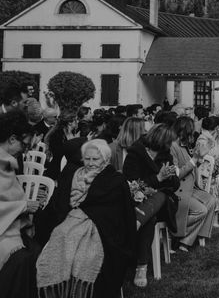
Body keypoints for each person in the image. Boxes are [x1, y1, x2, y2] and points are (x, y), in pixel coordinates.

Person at [36, 139, 136, 298]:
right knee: (60, 241)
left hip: (103, 232)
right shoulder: (73, 174)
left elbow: (115, 215)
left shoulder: (114, 180)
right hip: (67, 223)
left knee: (85, 256)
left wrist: (83, 217)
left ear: (105, 159)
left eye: (95, 159)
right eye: (87, 158)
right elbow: (59, 202)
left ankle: (78, 292)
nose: (90, 163)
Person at [122, 124, 180, 287]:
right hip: (137, 199)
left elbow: (174, 185)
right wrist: (157, 179)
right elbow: (131, 181)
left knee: (160, 195)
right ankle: (142, 266)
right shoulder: (136, 153)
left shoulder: (165, 155)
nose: (170, 146)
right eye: (168, 142)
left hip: (163, 202)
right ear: (160, 141)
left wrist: (168, 177)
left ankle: (135, 224)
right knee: (150, 218)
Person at [0, 111, 40, 298]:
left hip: (11, 226)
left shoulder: (7, 162)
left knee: (37, 253)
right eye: (24, 145)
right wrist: (23, 207)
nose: (24, 152)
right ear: (12, 139)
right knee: (23, 260)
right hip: (3, 233)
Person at [170, 116, 217, 251]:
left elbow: (191, 165)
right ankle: (176, 234)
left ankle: (192, 237)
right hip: (179, 190)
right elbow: (177, 175)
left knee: (211, 201)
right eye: (191, 132)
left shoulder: (184, 145)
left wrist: (199, 158)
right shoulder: (173, 147)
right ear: (184, 132)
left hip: (191, 186)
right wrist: (195, 159)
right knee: (201, 211)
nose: (193, 135)